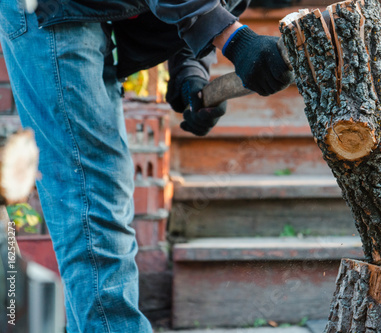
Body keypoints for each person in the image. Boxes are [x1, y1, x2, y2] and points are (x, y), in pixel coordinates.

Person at [0, 0, 293, 332]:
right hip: (54, 9)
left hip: (91, 12)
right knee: (92, 194)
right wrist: (233, 38)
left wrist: (191, 72)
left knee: (97, 195)